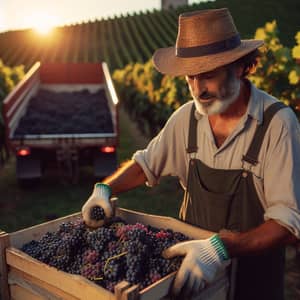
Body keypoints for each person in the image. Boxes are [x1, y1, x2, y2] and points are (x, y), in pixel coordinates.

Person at [82, 8, 300, 300]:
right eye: (190, 78)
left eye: (207, 75)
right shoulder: (186, 119)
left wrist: (219, 248)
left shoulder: (278, 125)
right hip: (194, 283)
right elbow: (145, 164)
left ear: (238, 66)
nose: (198, 89)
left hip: (254, 281)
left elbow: (288, 224)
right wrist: (105, 188)